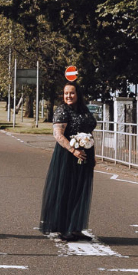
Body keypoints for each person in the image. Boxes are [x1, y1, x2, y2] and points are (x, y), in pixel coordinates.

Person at [40, 83, 97, 241]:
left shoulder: (84, 110)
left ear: (78, 93)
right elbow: (58, 135)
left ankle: (76, 228)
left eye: (71, 93)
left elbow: (89, 133)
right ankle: (64, 228)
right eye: (66, 93)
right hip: (67, 156)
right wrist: (73, 151)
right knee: (66, 190)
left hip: (84, 155)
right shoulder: (62, 110)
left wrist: (92, 155)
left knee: (80, 191)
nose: (68, 96)